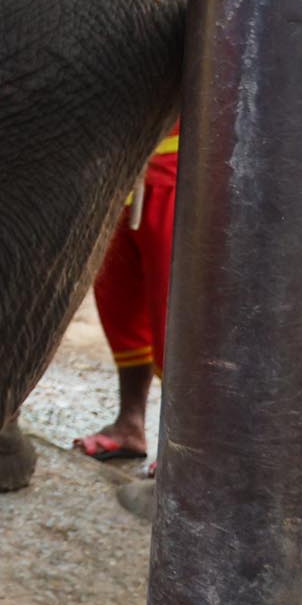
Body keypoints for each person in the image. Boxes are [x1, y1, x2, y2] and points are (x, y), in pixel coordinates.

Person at [74, 130, 180, 463]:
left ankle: (185, 448)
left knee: (177, 315)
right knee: (119, 307)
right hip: (121, 170)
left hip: (182, 172)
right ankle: (130, 423)